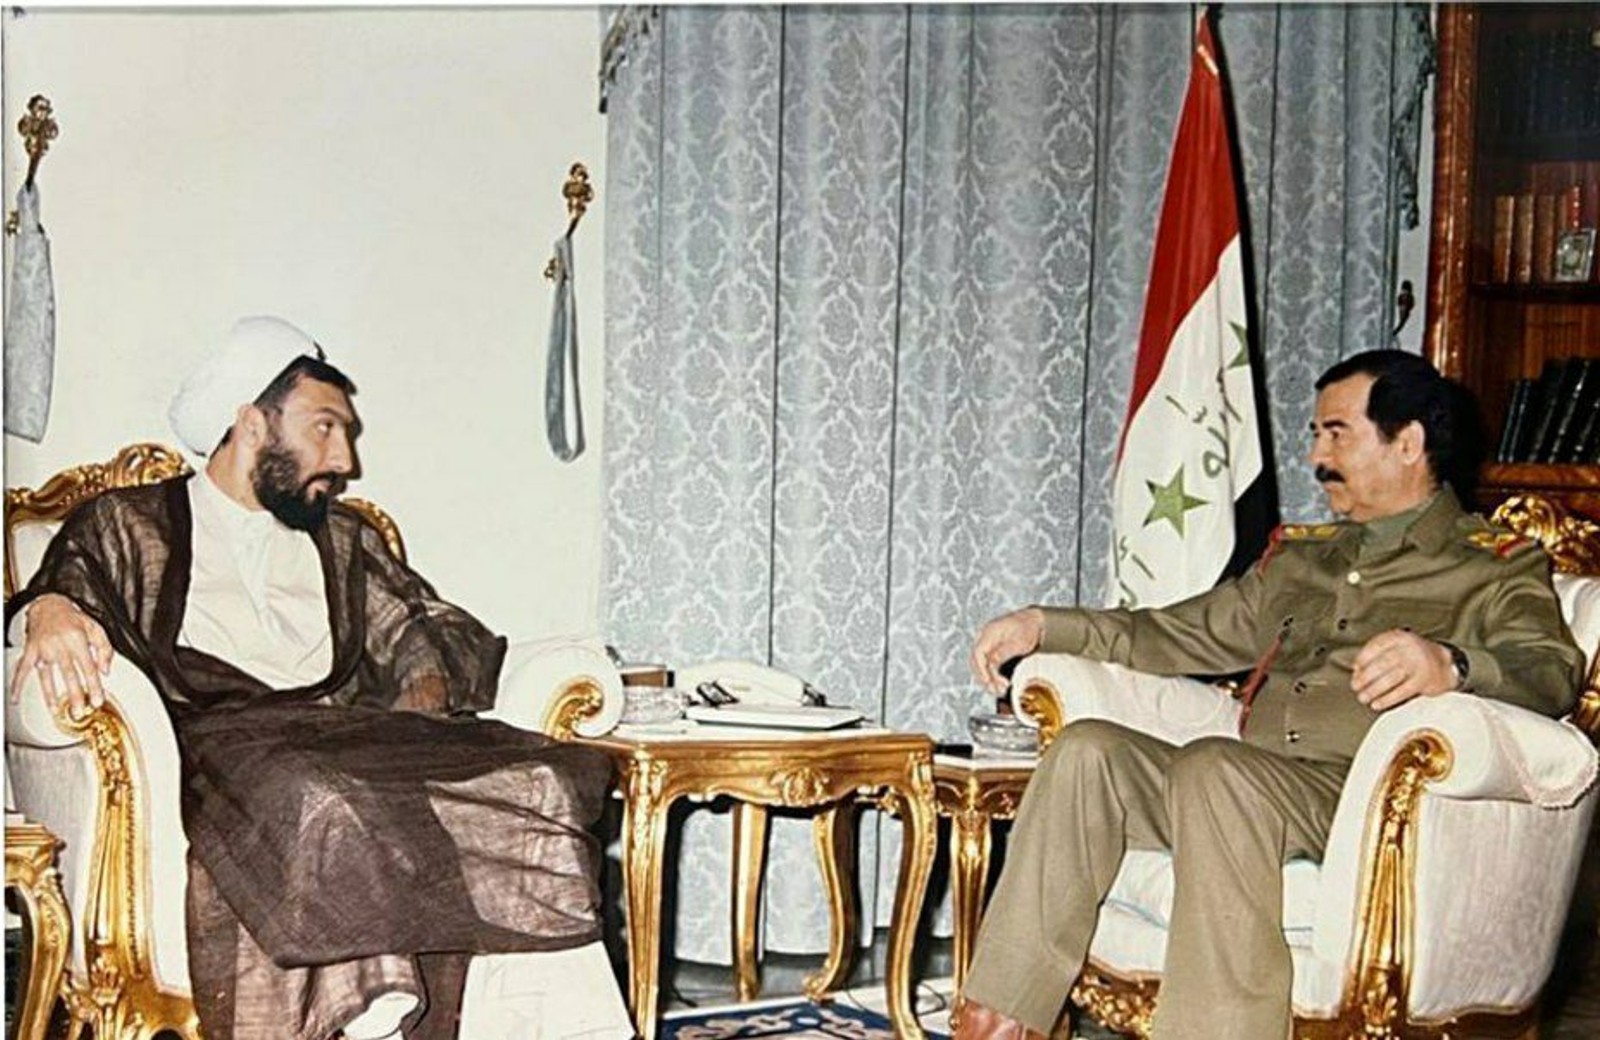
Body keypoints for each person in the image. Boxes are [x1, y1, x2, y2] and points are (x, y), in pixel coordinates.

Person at [5, 317, 632, 1040]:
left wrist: (432, 691)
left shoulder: (344, 538)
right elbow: (63, 591)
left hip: (343, 737)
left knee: (540, 776)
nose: (345, 460)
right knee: (322, 795)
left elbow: (424, 631)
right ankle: (369, 1015)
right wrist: (48, 610)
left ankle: (560, 1023)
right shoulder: (128, 522)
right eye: (325, 428)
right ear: (251, 423)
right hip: (223, 752)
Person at [959, 349, 1585, 1040]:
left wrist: (1453, 665)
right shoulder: (1303, 557)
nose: (1316, 456)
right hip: (1244, 786)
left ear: (1407, 443)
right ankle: (1002, 1017)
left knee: (1214, 767)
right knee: (1087, 752)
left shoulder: (1489, 565)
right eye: (1316, 435)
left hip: (1364, 803)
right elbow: (1177, 632)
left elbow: (1552, 670)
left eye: (1336, 434)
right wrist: (1044, 625)